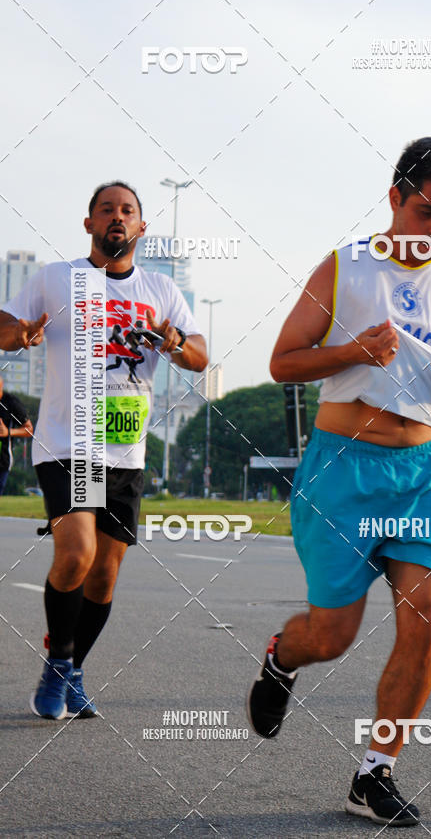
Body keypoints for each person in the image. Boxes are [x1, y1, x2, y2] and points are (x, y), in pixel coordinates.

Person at [247, 137, 431, 826]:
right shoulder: (343, 268)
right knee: (332, 636)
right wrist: (355, 351)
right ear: (395, 198)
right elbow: (282, 363)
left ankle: (375, 772)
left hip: (424, 474)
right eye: (427, 213)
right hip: (343, 468)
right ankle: (281, 657)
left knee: (427, 620)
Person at [0, 181, 207, 719]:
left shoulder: (161, 291)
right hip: (70, 443)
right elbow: (3, 324)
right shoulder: (56, 278)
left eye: (128, 211)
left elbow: (200, 354)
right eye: (107, 210)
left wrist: (176, 343)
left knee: (105, 574)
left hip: (127, 452)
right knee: (76, 554)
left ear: (142, 227)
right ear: (89, 223)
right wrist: (19, 333)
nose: (118, 217)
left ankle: (72, 668)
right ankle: (57, 666)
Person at [0, 375, 33, 495]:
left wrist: (8, 432)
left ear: (1, 385)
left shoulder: (11, 403)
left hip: (2, 460)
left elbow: (29, 430)